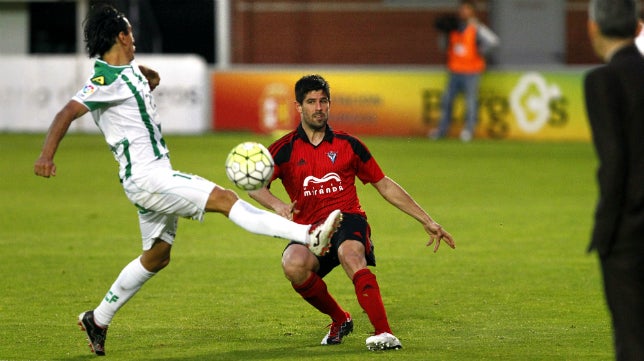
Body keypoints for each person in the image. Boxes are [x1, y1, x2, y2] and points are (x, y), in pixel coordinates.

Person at [33, 5, 342, 357]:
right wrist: (46, 155)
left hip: (149, 177)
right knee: (226, 199)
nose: (134, 39)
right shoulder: (106, 80)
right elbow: (66, 112)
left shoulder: (127, 71)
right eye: (131, 34)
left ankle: (98, 319)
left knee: (157, 256)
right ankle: (308, 235)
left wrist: (147, 76)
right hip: (150, 177)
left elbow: (138, 74)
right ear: (121, 36)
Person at [249, 74, 455, 351]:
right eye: (311, 102)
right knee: (293, 264)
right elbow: (254, 187)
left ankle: (384, 333)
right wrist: (278, 205)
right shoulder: (283, 149)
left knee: (350, 253)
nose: (318, 107)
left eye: (323, 101)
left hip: (347, 219)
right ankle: (340, 319)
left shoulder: (349, 145)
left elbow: (383, 184)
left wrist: (427, 220)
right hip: (309, 229)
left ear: (329, 104)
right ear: (299, 107)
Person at [584, 1, 644, 360]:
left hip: (629, 233)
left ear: (593, 28)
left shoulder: (602, 81)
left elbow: (614, 163)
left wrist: (603, 235)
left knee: (632, 340)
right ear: (638, 28)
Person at [431, 0, 499, 142]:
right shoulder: (453, 27)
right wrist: (444, 34)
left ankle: (468, 130)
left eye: (466, 9)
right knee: (447, 101)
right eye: (462, 9)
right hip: (455, 70)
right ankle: (442, 130)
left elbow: (493, 42)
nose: (463, 12)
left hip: (471, 71)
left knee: (470, 101)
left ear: (472, 11)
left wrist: (480, 51)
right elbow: (443, 46)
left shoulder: (476, 27)